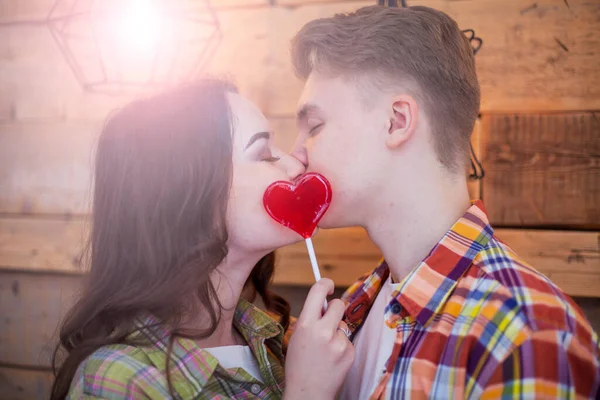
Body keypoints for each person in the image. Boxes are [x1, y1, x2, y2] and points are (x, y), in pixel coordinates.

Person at [290, 5, 600, 399]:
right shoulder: (349, 313)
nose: (295, 154)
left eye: (314, 127)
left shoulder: (528, 336)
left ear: (397, 121)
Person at [51, 79, 354, 400]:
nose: (295, 164)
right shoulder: (119, 381)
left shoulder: (286, 340)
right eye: (264, 154)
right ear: (190, 195)